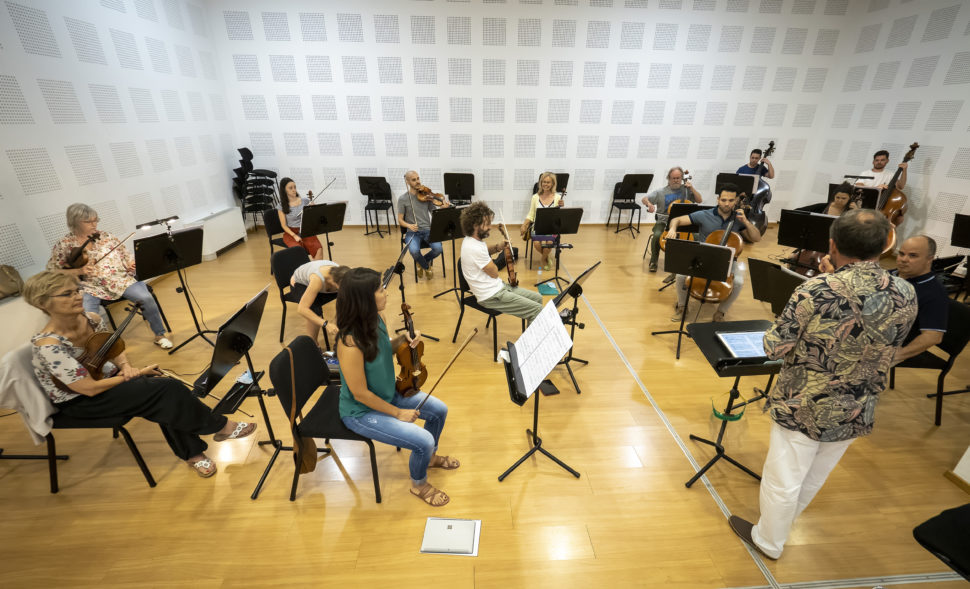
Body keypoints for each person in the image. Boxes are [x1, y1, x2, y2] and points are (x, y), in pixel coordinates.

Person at [727, 209, 917, 561]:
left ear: (832, 243)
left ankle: (768, 540)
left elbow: (775, 347)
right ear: (885, 246)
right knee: (815, 475)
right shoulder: (905, 292)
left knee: (783, 476)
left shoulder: (815, 289)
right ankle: (781, 526)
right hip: (858, 402)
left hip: (806, 401)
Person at [23, 271, 256, 478]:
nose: (77, 296)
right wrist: (135, 375)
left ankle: (194, 454)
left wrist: (126, 367)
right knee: (166, 390)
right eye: (67, 294)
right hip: (81, 401)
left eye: (77, 290)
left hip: (106, 381)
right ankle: (221, 426)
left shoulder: (91, 319)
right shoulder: (49, 346)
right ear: (44, 303)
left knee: (164, 397)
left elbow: (113, 347)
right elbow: (88, 389)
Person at [336, 267, 458, 506]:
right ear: (364, 300)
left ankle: (430, 458)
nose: (386, 293)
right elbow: (360, 394)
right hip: (361, 411)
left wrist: (405, 340)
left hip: (388, 393)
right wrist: (398, 413)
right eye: (380, 289)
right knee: (423, 440)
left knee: (439, 410)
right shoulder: (349, 343)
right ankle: (419, 483)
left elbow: (384, 348)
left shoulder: (376, 319)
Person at [48, 203, 173, 349]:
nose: (94, 224)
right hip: (90, 287)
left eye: (96, 220)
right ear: (74, 222)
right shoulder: (64, 244)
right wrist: (79, 272)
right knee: (88, 316)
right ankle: (97, 349)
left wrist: (131, 264)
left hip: (119, 280)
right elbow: (53, 270)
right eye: (88, 221)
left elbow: (126, 256)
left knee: (145, 298)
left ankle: (159, 335)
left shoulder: (106, 236)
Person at [665, 184, 761, 322]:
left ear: (735, 201)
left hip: (727, 260)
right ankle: (682, 307)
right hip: (703, 257)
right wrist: (673, 229)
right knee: (680, 275)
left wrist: (746, 221)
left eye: (731, 200)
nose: (727, 204)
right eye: (723, 200)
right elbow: (676, 219)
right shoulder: (705, 215)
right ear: (718, 199)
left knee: (738, 282)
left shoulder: (739, 219)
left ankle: (720, 313)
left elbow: (756, 238)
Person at [460, 201, 544, 322]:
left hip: (498, 287)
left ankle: (532, 335)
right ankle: (531, 341)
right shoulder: (474, 248)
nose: (490, 227)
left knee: (537, 298)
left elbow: (483, 250)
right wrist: (499, 259)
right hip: (490, 296)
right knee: (537, 309)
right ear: (475, 225)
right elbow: (494, 273)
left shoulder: (470, 240)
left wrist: (497, 247)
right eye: (487, 224)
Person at [892, 235, 948, 364]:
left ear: (929, 259)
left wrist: (897, 355)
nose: (904, 259)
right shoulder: (888, 275)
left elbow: (933, 336)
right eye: (901, 254)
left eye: (913, 256)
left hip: (890, 346)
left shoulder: (934, 293)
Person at [641, 167, 703, 273]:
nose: (676, 180)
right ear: (668, 178)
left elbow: (699, 200)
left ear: (682, 178)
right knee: (657, 235)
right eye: (673, 178)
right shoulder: (660, 192)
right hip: (664, 222)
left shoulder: (687, 190)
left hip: (683, 222)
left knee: (697, 236)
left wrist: (692, 188)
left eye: (678, 178)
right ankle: (654, 261)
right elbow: (644, 199)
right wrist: (649, 204)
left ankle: (694, 262)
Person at [397, 170, 450, 280]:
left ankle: (421, 263)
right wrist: (409, 225)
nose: (417, 182)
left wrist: (443, 208)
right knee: (414, 251)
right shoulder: (403, 199)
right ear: (407, 182)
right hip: (412, 232)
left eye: (418, 178)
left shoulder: (426, 196)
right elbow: (400, 220)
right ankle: (427, 267)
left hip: (427, 230)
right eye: (413, 180)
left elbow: (434, 213)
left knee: (438, 249)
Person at [290, 260, 351, 345]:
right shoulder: (317, 279)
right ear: (335, 283)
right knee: (314, 309)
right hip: (300, 283)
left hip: (323, 283)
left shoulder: (346, 274)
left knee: (349, 298)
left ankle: (344, 335)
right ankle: (313, 344)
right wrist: (326, 324)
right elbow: (302, 309)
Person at [520, 172, 564, 271]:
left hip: (551, 227)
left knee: (549, 243)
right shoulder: (535, 197)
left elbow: (558, 216)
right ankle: (546, 257)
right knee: (536, 244)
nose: (545, 184)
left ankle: (543, 259)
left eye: (548, 182)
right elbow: (531, 214)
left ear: (553, 184)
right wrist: (524, 225)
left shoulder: (557, 197)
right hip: (538, 226)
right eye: (543, 182)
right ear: (540, 183)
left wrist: (561, 206)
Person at [277, 177, 323, 260]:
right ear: (284, 190)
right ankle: (303, 271)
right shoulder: (281, 206)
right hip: (291, 232)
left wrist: (314, 209)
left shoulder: (305, 201)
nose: (294, 190)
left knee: (318, 249)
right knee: (298, 251)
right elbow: (284, 226)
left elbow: (312, 218)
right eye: (290, 188)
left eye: (294, 187)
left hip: (306, 230)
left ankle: (314, 271)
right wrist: (294, 236)